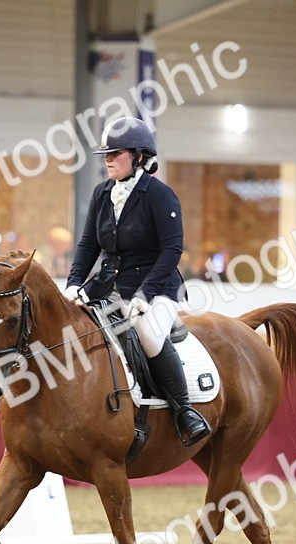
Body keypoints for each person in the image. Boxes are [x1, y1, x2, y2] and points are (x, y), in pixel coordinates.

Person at [63, 118, 211, 446]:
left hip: (157, 288)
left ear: (140, 157)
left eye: (117, 152)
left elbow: (172, 249)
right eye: (106, 153)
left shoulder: (159, 195)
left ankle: (184, 410)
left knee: (147, 332)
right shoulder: (102, 193)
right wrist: (74, 283)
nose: (108, 158)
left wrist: (146, 293)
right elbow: (88, 245)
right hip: (108, 288)